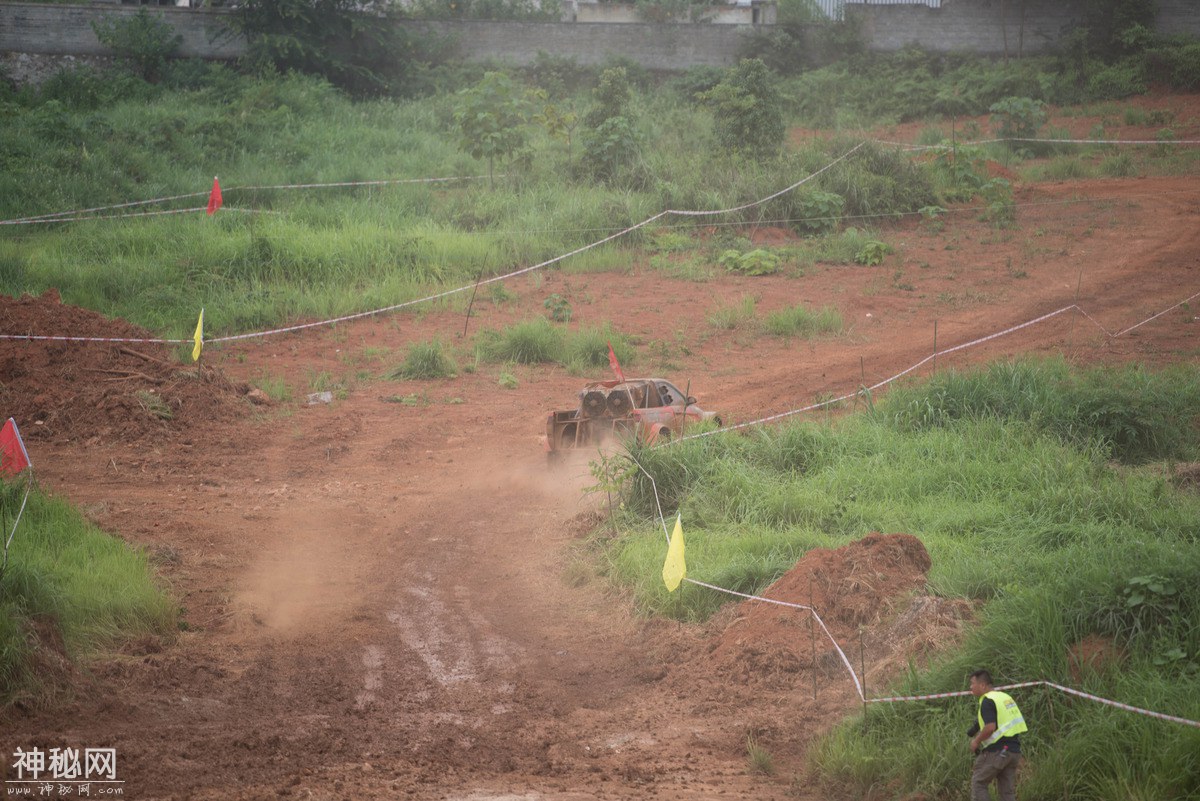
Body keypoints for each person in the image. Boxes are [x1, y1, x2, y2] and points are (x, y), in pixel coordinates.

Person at [966, 669, 1027, 801]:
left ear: (982, 685)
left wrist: (976, 741)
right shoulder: (1004, 697)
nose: (970, 687)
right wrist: (974, 728)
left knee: (979, 783)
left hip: (997, 751)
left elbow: (990, 727)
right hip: (1013, 752)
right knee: (1007, 793)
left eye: (972, 683)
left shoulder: (987, 700)